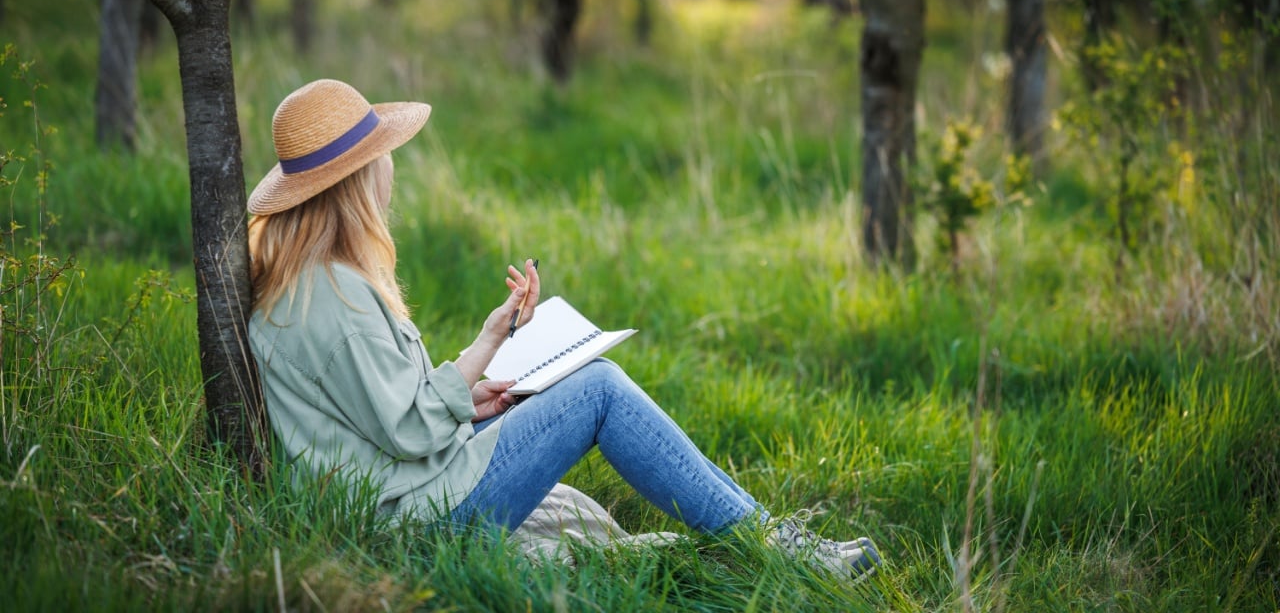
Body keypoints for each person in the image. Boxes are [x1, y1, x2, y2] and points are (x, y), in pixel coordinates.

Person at [245, 79, 882, 582]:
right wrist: (466, 386)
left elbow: (382, 414)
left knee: (581, 391)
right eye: (383, 158)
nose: (392, 172)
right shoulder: (335, 298)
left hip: (406, 495)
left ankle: (767, 537)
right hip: (418, 519)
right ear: (357, 180)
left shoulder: (309, 284)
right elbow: (410, 430)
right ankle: (773, 548)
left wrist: (480, 366)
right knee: (598, 387)